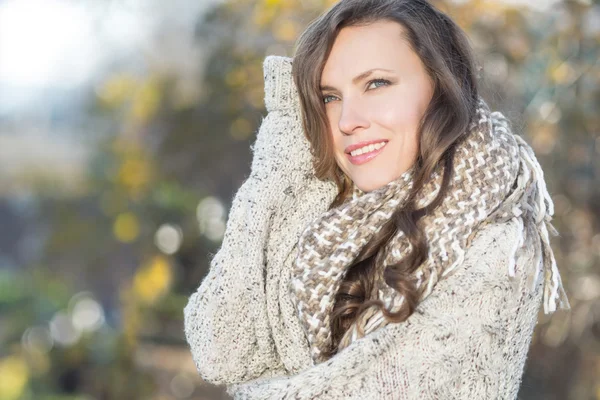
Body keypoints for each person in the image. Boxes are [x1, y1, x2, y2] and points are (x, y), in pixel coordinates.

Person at [183, 0, 571, 398]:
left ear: (441, 86)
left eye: (377, 84)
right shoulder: (327, 226)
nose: (348, 120)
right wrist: (276, 164)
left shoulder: (496, 239)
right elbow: (222, 351)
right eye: (329, 97)